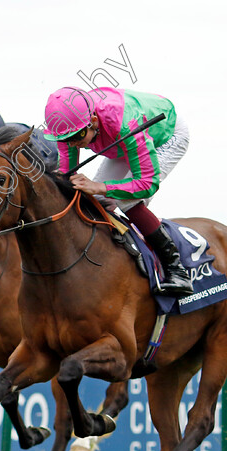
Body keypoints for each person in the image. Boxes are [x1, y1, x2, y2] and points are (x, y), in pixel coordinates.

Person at [43, 86, 194, 296]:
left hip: (164, 135)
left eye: (77, 137)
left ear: (93, 121)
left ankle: (176, 269)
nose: (73, 144)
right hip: (120, 140)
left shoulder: (125, 124)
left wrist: (101, 187)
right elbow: (67, 174)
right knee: (92, 198)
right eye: (66, 139)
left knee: (125, 201)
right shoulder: (68, 128)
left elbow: (146, 184)